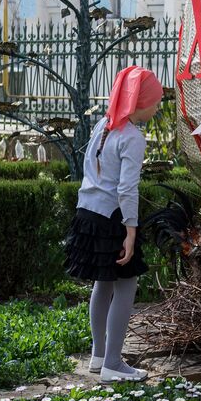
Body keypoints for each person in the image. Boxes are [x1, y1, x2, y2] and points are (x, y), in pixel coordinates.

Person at [64, 65, 163, 383]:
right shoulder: (132, 136)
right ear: (140, 102)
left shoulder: (104, 125)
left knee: (103, 283)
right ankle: (114, 364)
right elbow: (126, 189)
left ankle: (99, 356)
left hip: (88, 214)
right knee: (126, 285)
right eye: (156, 101)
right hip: (112, 219)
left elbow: (90, 170)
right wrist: (131, 232)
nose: (158, 106)